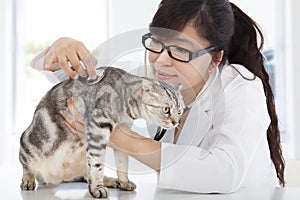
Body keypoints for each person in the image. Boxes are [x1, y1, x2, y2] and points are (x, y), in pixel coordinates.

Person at [31, 0, 285, 193]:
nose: (161, 60)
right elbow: (85, 86)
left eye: (181, 50)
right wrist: (60, 52)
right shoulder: (151, 80)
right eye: (156, 43)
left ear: (215, 58)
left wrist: (120, 137)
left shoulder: (240, 86)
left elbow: (224, 173)